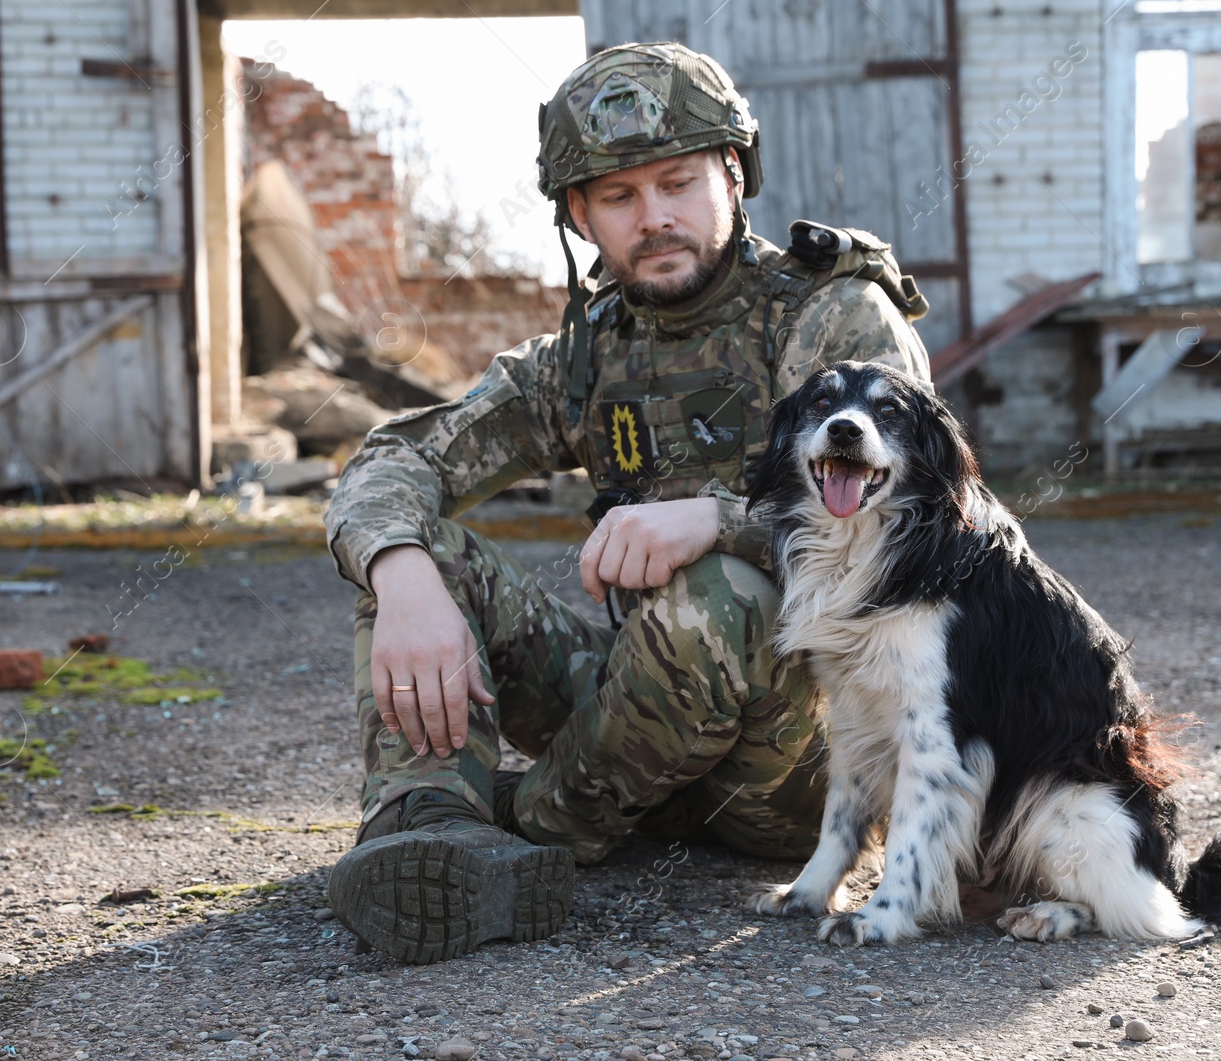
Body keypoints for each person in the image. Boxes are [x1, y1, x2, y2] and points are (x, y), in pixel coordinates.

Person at [325, 41, 933, 964]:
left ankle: (534, 825)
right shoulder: (584, 354)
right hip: (646, 712)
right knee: (425, 552)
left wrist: (719, 519)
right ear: (579, 214)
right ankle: (432, 829)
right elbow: (397, 456)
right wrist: (401, 572)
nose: (655, 218)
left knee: (717, 590)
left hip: (801, 757)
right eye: (619, 196)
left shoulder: (831, 315)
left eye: (679, 182)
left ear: (734, 175)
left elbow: (912, 522)